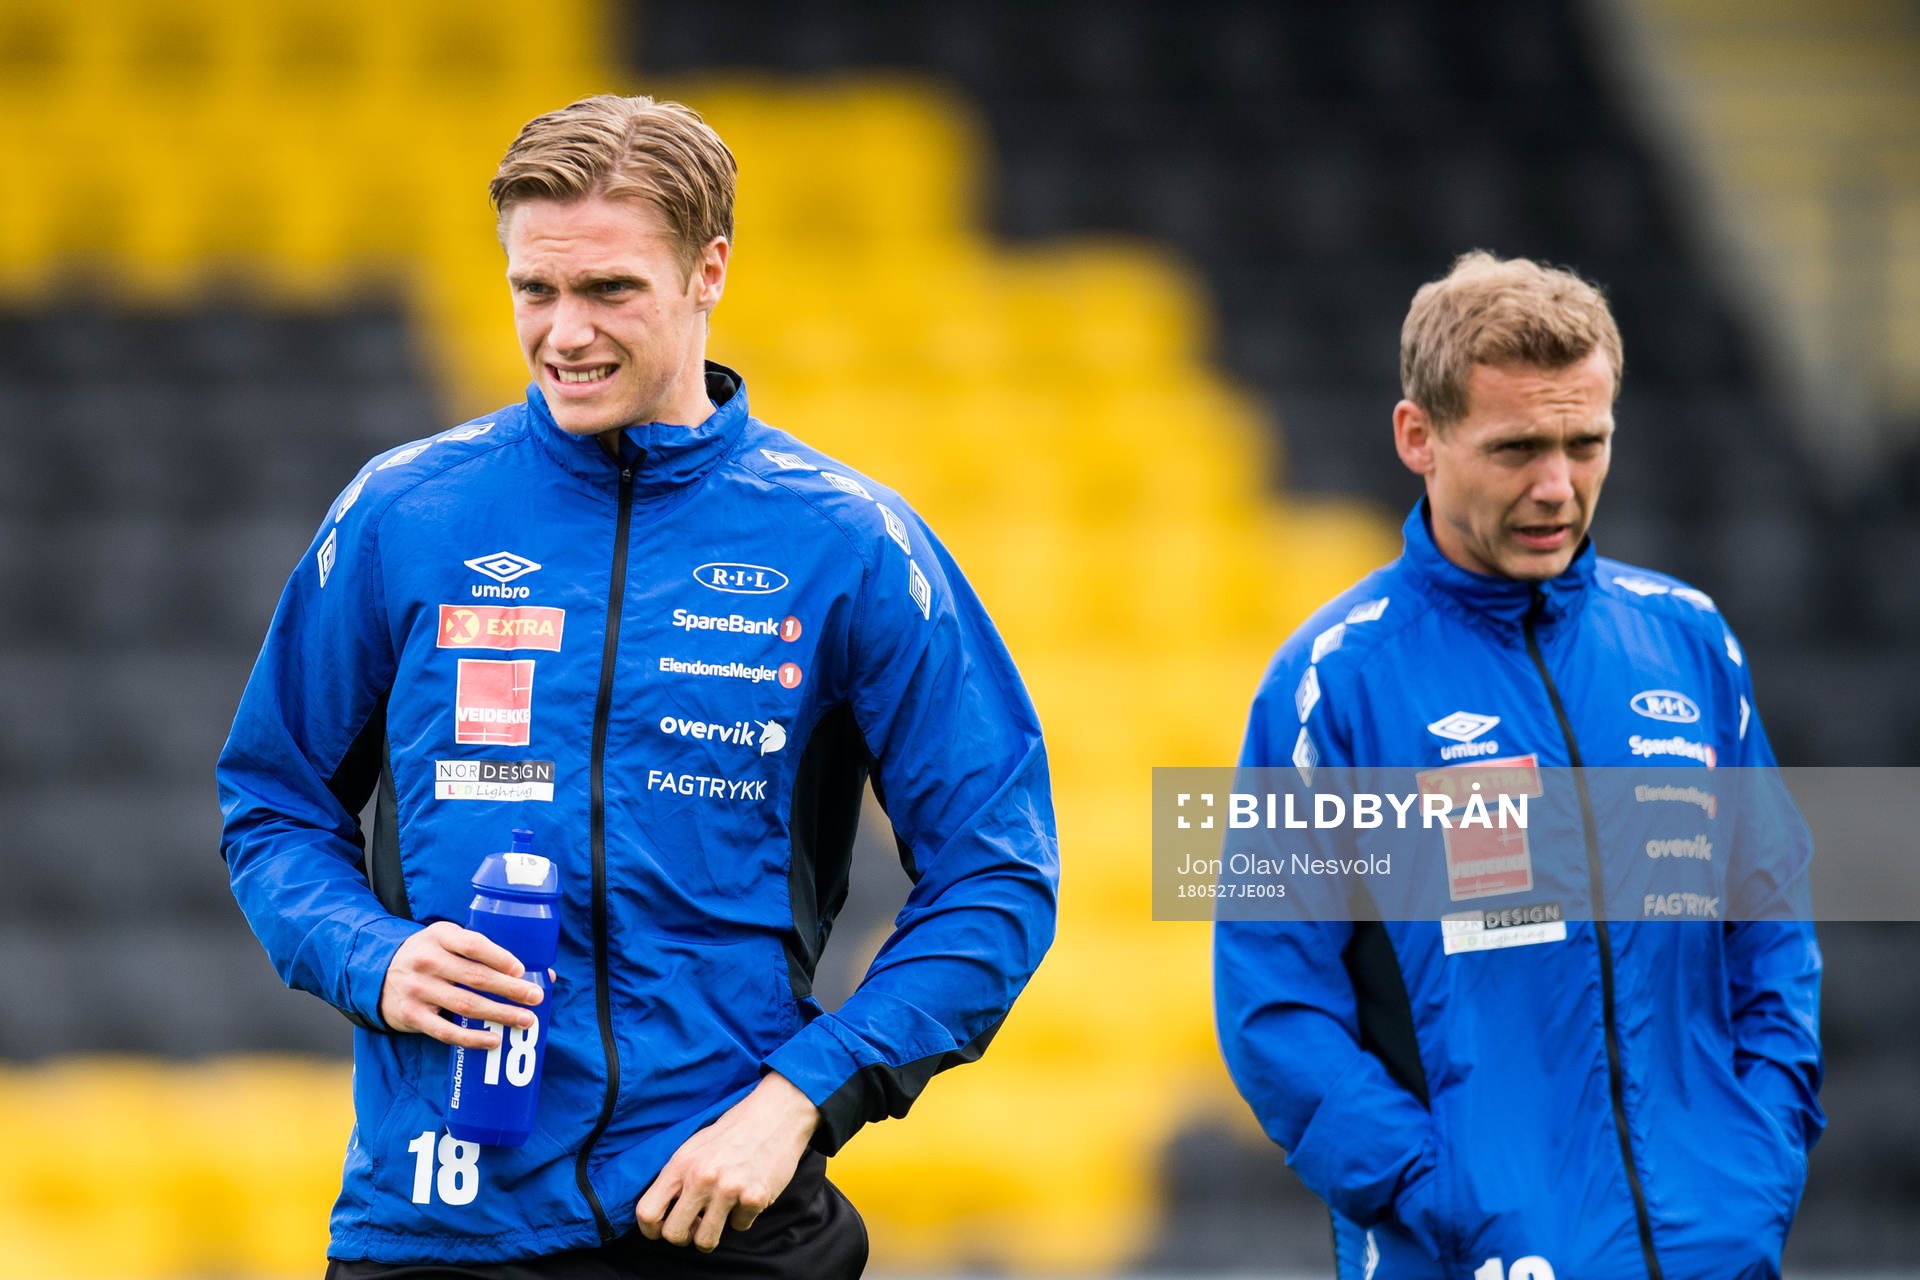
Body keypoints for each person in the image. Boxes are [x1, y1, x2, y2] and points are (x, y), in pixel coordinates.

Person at [218, 94, 1059, 1278]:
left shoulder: (850, 543)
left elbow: (996, 873)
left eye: (609, 289)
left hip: (718, 1216)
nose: (565, 332)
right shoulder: (403, 511)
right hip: (446, 1215)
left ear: (709, 270)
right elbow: (272, 803)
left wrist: (803, 1095)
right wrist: (373, 953)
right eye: (534, 289)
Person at [1213, 252, 1823, 1279]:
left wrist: (1755, 1164)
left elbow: (1770, 930)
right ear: (1419, 436)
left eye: (1587, 445)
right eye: (1517, 449)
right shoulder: (1332, 684)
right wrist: (1444, 1196)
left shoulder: (1689, 642)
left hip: (1714, 1248)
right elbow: (1274, 1007)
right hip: (1475, 1257)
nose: (1557, 487)